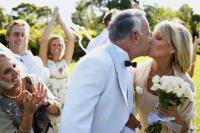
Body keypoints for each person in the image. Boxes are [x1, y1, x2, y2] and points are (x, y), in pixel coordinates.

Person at [59, 9, 151, 133]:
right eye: (148, 34)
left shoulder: (129, 65)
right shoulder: (94, 63)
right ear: (135, 36)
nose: (150, 39)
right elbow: (73, 126)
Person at [134, 20, 196, 133]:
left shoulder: (186, 85)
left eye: (158, 38)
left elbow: (186, 130)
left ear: (173, 48)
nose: (149, 40)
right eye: (151, 36)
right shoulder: (137, 71)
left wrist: (175, 115)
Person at [0, 51, 60, 133]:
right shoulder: (1, 104)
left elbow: (58, 111)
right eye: (7, 71)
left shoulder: (33, 81)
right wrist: (28, 114)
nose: (16, 72)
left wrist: (46, 103)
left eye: (14, 65)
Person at [39, 7, 75, 131]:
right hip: (50, 103)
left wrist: (61, 21)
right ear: (49, 47)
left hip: (67, 102)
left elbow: (71, 39)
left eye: (60, 45)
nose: (57, 47)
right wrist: (53, 18)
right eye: (54, 44)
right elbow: (44, 39)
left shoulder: (66, 61)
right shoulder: (45, 62)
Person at [5, 19, 50, 83]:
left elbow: (40, 80)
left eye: (23, 35)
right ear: (7, 37)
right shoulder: (3, 59)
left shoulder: (36, 60)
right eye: (16, 34)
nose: (20, 38)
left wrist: (24, 53)